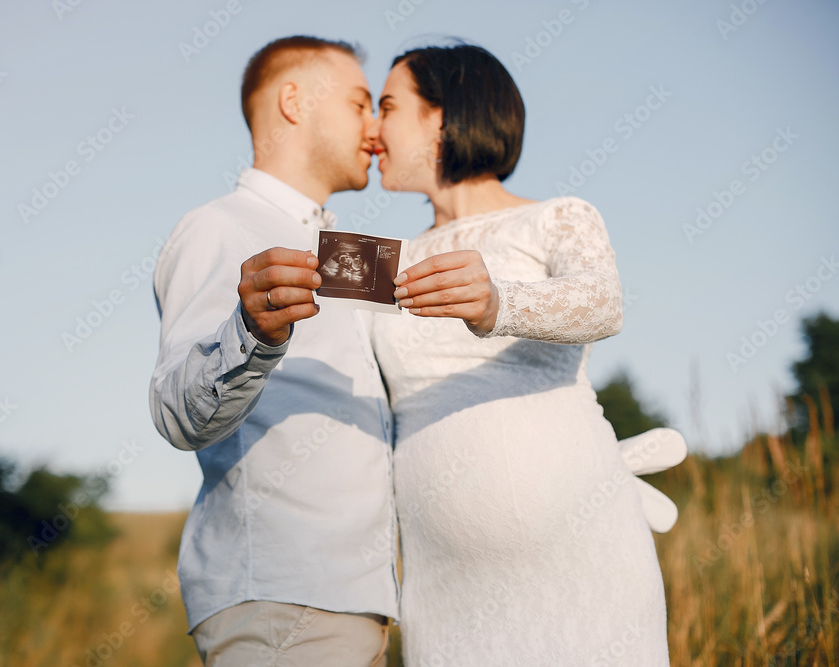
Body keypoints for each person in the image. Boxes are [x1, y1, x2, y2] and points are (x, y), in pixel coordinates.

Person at [369, 43, 673, 665]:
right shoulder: (382, 260)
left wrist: (497, 304)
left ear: (444, 117)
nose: (372, 130)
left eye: (389, 106)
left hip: (578, 558)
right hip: (443, 584)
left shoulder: (557, 217)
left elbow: (601, 303)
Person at [148, 36, 395, 666]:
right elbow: (178, 414)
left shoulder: (346, 249)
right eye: (361, 102)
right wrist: (255, 333)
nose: (375, 127)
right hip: (281, 598)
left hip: (361, 602)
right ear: (294, 100)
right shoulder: (219, 225)